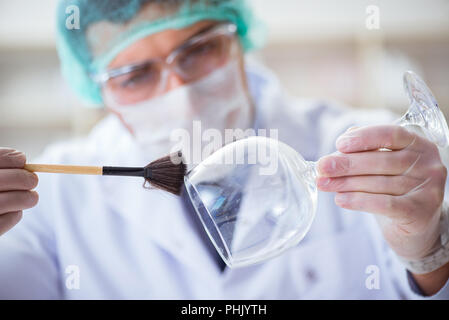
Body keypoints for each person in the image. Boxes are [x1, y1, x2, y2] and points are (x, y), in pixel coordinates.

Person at [0, 0, 448, 299]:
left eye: (200, 49)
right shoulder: (55, 195)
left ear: (239, 41)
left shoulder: (362, 143)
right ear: (99, 93)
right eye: (136, 75)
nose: (181, 91)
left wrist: (426, 250)